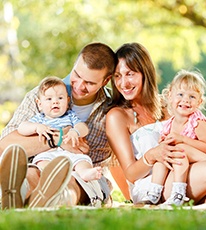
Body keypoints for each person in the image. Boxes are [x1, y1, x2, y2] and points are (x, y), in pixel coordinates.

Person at [106, 42, 206, 206]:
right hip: (154, 186)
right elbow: (130, 174)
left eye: (130, 74)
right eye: (117, 76)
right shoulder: (117, 116)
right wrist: (153, 154)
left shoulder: (170, 105)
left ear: (145, 73)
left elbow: (204, 134)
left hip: (184, 176)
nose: (123, 83)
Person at [0, 42, 119, 209]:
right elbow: (5, 145)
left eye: (89, 83)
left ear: (106, 80)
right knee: (30, 173)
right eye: (76, 74)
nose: (79, 86)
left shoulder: (112, 109)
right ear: (74, 65)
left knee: (69, 181)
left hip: (84, 174)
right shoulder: (43, 96)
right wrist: (58, 139)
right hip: (39, 164)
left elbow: (125, 155)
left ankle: (55, 200)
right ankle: (16, 195)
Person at [142, 69, 206, 206]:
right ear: (170, 96)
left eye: (192, 97)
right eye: (180, 94)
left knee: (179, 150)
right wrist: (164, 144)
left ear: (199, 102)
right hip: (181, 161)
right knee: (161, 159)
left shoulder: (197, 122)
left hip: (203, 160)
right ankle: (154, 193)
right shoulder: (168, 125)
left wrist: (183, 140)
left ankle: (179, 194)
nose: (186, 99)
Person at [18, 76, 102, 183]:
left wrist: (75, 131)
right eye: (49, 99)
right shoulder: (39, 118)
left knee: (83, 160)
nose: (55, 102)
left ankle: (85, 173)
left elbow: (83, 127)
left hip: (71, 153)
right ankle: (52, 177)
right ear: (40, 104)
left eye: (60, 98)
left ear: (67, 101)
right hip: (48, 153)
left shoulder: (70, 116)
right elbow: (22, 128)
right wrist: (36, 127)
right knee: (41, 163)